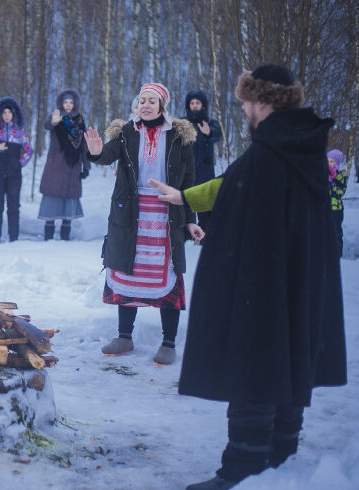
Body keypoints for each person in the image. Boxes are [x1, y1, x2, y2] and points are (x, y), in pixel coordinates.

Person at [148, 64, 346, 489]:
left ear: (263, 100)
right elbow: (233, 184)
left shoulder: (270, 152)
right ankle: (281, 457)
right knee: (287, 358)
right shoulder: (301, 145)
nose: (241, 107)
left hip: (264, 282)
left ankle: (243, 469)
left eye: (245, 100)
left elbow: (237, 187)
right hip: (296, 280)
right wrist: (184, 197)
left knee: (255, 366)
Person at [84, 83, 200, 365]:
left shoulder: (178, 137)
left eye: (152, 101)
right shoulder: (127, 132)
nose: (146, 105)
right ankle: (124, 336)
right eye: (142, 100)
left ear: (162, 107)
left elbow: (188, 181)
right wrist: (96, 152)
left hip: (166, 214)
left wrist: (190, 221)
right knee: (128, 272)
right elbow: (107, 156)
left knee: (168, 275)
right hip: (130, 213)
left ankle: (168, 343)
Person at [38, 89, 90, 240]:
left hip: (73, 166)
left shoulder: (79, 120)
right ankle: (48, 236)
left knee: (69, 199)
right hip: (56, 165)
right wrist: (54, 121)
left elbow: (84, 145)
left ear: (75, 104)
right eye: (65, 102)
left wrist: (86, 166)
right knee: (52, 198)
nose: (68, 105)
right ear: (61, 103)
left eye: (71, 102)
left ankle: (65, 237)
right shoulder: (57, 116)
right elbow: (48, 125)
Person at [0, 97, 33, 244]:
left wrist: (19, 164)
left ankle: (14, 238)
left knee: (13, 206)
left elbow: (29, 151)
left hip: (14, 175)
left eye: (9, 112)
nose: (6, 115)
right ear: (0, 114)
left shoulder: (20, 132)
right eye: (4, 112)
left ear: (14, 114)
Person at [183, 90, 222, 235]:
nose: (194, 105)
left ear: (203, 105)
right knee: (185, 204)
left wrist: (209, 133)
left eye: (197, 103)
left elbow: (217, 135)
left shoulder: (209, 123)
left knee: (205, 206)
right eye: (192, 103)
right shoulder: (183, 123)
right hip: (186, 171)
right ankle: (186, 235)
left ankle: (205, 237)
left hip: (205, 172)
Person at [327, 149, 348, 256]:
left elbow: (340, 191)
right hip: (325, 208)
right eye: (327, 161)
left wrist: (334, 176)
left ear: (337, 163)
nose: (329, 164)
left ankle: (338, 253)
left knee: (336, 232)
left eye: (332, 161)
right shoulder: (324, 174)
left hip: (336, 210)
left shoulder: (342, 175)